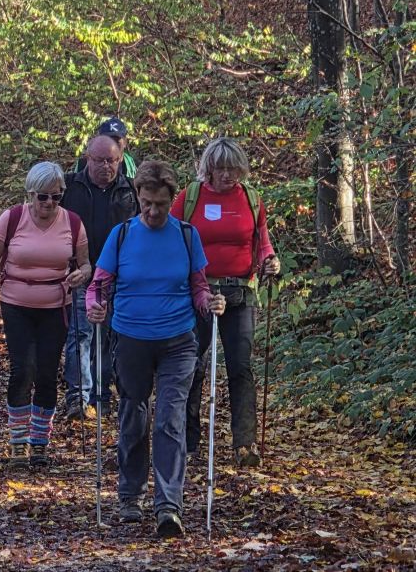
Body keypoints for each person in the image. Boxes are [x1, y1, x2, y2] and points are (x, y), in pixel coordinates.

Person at [86, 160, 225, 538]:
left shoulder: (187, 235)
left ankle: (168, 505)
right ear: (137, 197)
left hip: (178, 340)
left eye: (160, 204)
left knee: (170, 419)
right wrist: (95, 306)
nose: (152, 211)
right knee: (134, 415)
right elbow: (98, 285)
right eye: (146, 203)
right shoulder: (121, 235)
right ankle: (130, 494)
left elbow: (198, 286)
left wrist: (209, 303)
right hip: (130, 338)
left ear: (172, 200)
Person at [171, 137, 280, 468]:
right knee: (193, 365)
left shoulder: (251, 199)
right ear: (209, 168)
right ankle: (187, 442)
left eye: (233, 168)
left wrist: (270, 261)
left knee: (240, 366)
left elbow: (262, 242)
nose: (227, 175)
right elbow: (171, 237)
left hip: (240, 292)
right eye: (220, 168)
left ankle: (244, 444)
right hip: (198, 293)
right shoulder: (190, 197)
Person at [0, 162, 90, 468]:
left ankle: (40, 442)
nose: (49, 203)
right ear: (30, 194)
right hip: (17, 304)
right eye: (43, 196)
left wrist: (80, 275)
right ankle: (18, 441)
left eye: (56, 196)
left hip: (57, 306)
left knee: (47, 372)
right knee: (23, 370)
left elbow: (85, 264)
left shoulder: (73, 223)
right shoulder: (12, 218)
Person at [60, 134, 138, 419]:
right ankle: (78, 398)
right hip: (81, 272)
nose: (106, 166)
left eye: (112, 160)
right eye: (100, 160)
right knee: (80, 333)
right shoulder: (69, 187)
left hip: (120, 275)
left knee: (108, 335)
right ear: (87, 158)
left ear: (120, 160)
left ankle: (101, 395)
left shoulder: (131, 190)